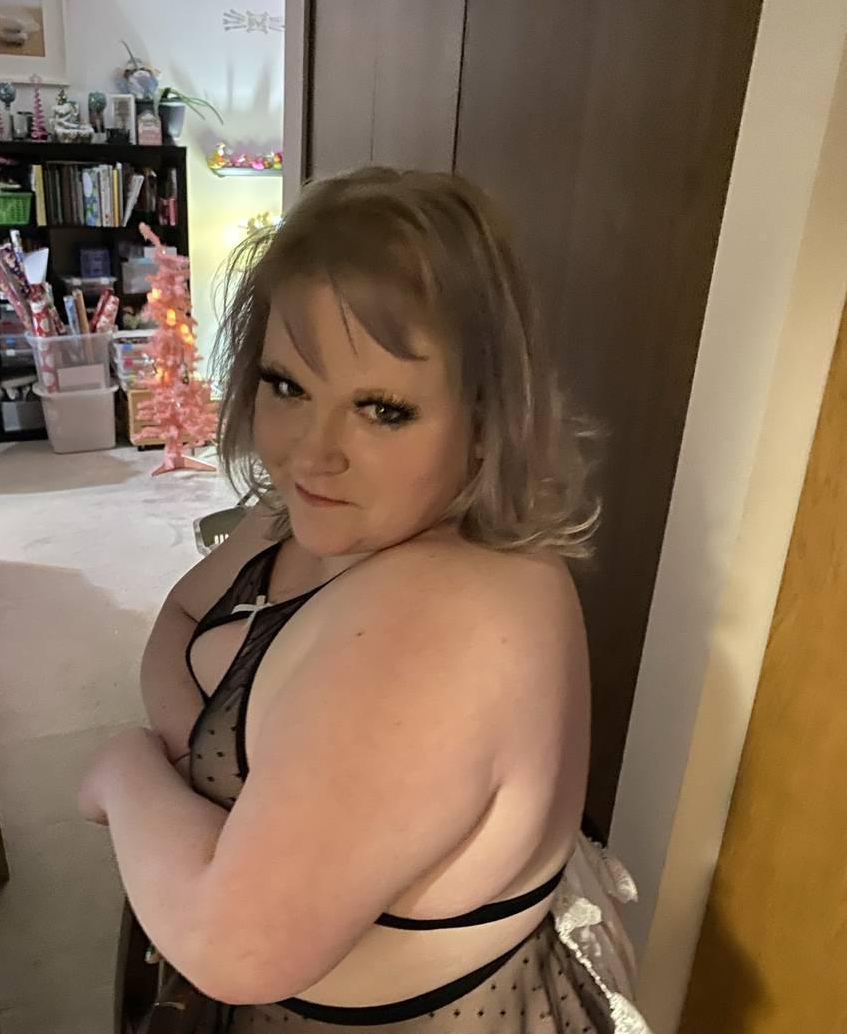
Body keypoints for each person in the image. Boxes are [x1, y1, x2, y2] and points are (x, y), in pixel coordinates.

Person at [78, 168, 648, 1033]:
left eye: (382, 409)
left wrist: (129, 771)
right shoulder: (309, 517)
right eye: (287, 385)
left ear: (485, 418)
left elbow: (235, 945)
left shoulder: (439, 618)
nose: (314, 451)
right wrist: (208, 772)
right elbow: (181, 622)